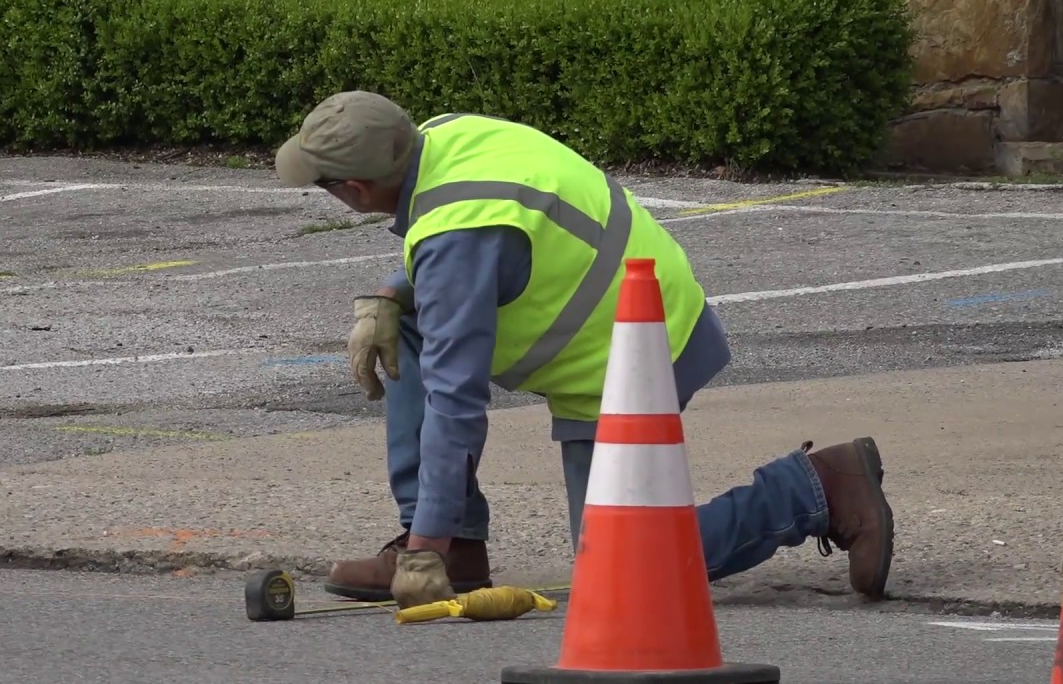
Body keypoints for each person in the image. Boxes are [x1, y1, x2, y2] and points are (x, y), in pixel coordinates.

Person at [274, 90, 896, 610]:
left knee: (625, 570)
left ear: (354, 189)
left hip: (640, 355)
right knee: (404, 323)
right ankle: (456, 545)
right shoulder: (443, 136)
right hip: (626, 319)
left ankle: (817, 488)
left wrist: (421, 556)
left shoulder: (457, 235)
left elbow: (455, 401)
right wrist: (393, 292)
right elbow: (486, 247)